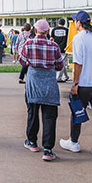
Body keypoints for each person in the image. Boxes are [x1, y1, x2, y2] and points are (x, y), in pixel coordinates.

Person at [59, 10, 92, 159]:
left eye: (75, 21)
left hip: (85, 82)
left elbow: (78, 63)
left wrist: (75, 83)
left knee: (77, 112)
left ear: (79, 23)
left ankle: (74, 142)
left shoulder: (79, 38)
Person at [18, 19, 64, 161]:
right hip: (49, 85)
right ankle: (48, 150)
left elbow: (22, 61)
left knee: (32, 112)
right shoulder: (54, 46)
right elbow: (59, 66)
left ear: (35, 30)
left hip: (33, 84)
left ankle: (32, 142)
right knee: (49, 116)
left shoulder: (28, 44)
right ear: (48, 31)